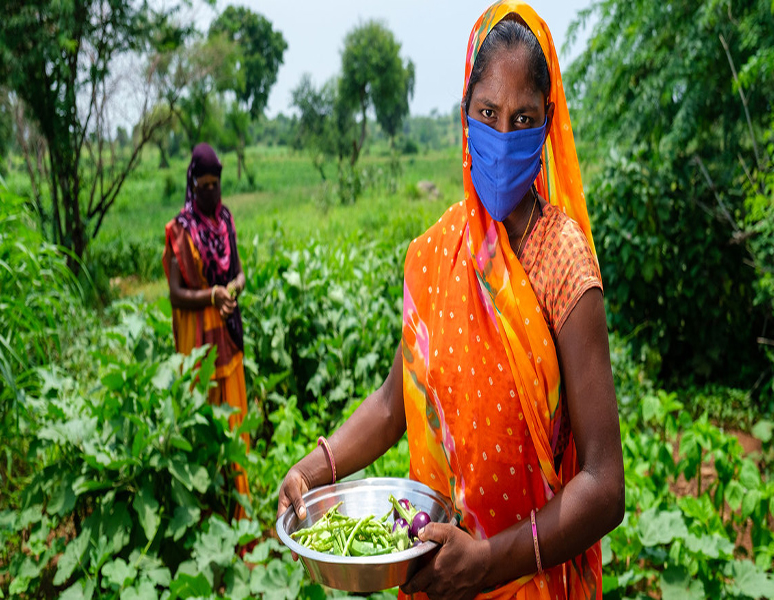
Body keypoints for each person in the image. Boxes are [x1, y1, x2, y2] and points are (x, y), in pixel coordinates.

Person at [278, 1, 625, 598]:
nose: (502, 136)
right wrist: (315, 469)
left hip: (526, 576)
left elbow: (603, 483)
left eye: (523, 119)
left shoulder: (562, 260)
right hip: (437, 575)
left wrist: (488, 561)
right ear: (464, 115)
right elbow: (394, 404)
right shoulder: (435, 254)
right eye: (488, 113)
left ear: (548, 123)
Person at [163, 142, 250, 521]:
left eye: (216, 184)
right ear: (192, 184)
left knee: (231, 424)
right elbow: (177, 295)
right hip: (197, 340)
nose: (211, 192)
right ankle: (204, 512)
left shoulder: (225, 220)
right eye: (204, 185)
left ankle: (237, 507)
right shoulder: (180, 231)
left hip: (227, 334)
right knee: (203, 420)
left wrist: (231, 289)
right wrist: (210, 295)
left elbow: (240, 272)